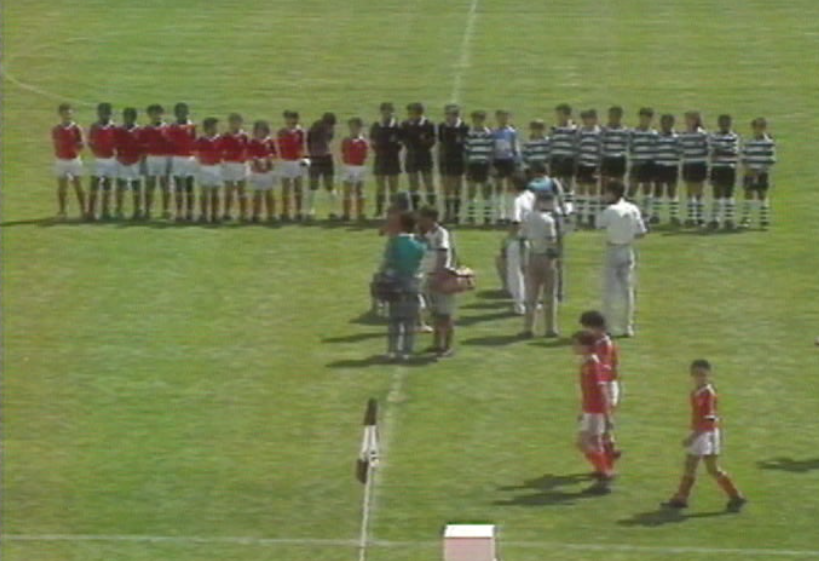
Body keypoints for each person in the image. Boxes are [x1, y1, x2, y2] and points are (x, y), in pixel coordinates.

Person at [662, 360, 747, 512]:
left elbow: (708, 419)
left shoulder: (707, 394)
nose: (699, 377)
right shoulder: (697, 391)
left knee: (694, 464)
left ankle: (682, 498)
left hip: (705, 432)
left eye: (702, 374)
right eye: (696, 374)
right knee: (710, 468)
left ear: (708, 375)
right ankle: (735, 496)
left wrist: (693, 437)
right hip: (707, 432)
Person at [596, 181, 647, 337]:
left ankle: (609, 326)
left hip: (613, 249)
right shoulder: (633, 208)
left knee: (609, 291)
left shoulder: (610, 210)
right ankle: (627, 326)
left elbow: (598, 224)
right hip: (627, 249)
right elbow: (641, 232)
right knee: (627, 290)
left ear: (613, 193)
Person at [572, 330, 615, 494]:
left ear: (586, 346)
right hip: (590, 409)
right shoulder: (587, 363)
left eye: (576, 344)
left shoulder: (592, 365)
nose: (573, 347)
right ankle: (603, 475)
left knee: (583, 443)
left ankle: (605, 473)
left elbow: (602, 390)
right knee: (595, 443)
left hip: (595, 411)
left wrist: (607, 415)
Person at [380, 211, 426, 362]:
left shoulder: (394, 242)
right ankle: (407, 350)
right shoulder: (420, 245)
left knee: (395, 319)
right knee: (410, 320)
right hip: (413, 283)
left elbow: (387, 263)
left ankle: (392, 350)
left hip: (396, 283)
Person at [580, 310, 622, 466]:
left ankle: (605, 465)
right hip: (609, 385)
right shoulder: (605, 342)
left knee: (598, 431)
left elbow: (604, 370)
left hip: (606, 387)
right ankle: (609, 453)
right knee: (603, 430)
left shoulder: (602, 345)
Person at [520, 191, 561, 337]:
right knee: (550, 294)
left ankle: (528, 327)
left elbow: (523, 236)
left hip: (532, 255)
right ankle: (550, 328)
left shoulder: (528, 217)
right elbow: (551, 240)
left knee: (531, 294)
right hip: (545, 257)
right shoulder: (548, 220)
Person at [418, 206, 457, 358]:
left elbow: (443, 256)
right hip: (429, 275)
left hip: (441, 278)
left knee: (445, 314)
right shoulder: (426, 233)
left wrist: (438, 276)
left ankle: (447, 346)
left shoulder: (441, 234)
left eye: (422, 217)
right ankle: (436, 343)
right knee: (435, 313)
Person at [504, 172, 535, 315]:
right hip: (532, 237)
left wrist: (509, 239)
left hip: (518, 239)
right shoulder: (531, 196)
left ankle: (519, 304)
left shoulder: (516, 200)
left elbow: (515, 222)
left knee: (515, 273)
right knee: (529, 272)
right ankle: (531, 301)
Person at [740, 117, 776, 229]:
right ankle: (746, 218)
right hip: (750, 172)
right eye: (756, 128)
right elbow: (744, 157)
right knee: (748, 194)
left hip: (762, 173)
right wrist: (748, 169)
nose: (758, 130)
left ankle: (763, 219)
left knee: (762, 194)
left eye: (760, 128)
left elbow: (771, 159)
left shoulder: (768, 143)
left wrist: (760, 171)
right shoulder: (749, 142)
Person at [52, 103, 86, 219]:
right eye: (65, 113)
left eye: (69, 112)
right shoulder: (56, 129)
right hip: (61, 160)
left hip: (74, 160)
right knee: (62, 187)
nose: (67, 115)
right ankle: (62, 211)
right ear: (60, 114)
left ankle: (83, 210)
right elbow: (56, 143)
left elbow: (82, 144)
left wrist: (78, 146)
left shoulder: (76, 128)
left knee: (78, 185)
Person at [437, 104, 469, 223]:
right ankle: (447, 211)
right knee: (446, 187)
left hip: (458, 159)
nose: (448, 117)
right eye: (447, 114)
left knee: (457, 187)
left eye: (450, 114)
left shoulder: (464, 127)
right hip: (446, 159)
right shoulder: (442, 127)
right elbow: (441, 143)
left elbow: (466, 145)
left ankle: (456, 212)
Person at [370, 102, 403, 218]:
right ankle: (379, 210)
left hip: (393, 158)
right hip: (380, 158)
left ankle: (394, 210)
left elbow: (400, 143)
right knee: (380, 186)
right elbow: (373, 142)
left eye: (389, 111)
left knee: (393, 186)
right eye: (385, 111)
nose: (387, 113)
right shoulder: (376, 126)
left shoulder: (397, 127)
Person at [402, 102, 436, 210]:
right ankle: (415, 207)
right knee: (413, 183)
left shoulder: (428, 124)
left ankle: (432, 206)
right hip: (412, 155)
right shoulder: (406, 124)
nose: (410, 115)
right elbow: (404, 139)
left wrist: (423, 143)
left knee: (428, 182)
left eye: (412, 113)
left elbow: (432, 140)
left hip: (425, 156)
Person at [708, 114, 740, 230]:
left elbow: (733, 152)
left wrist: (720, 151)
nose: (724, 125)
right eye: (722, 122)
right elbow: (712, 152)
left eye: (726, 123)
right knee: (716, 194)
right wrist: (723, 151)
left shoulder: (734, 137)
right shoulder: (714, 136)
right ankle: (715, 219)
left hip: (729, 168)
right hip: (717, 168)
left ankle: (728, 219)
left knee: (728, 194)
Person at [167, 102, 197, 222]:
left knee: (189, 185)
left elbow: (194, 142)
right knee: (178, 186)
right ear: (175, 114)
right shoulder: (172, 127)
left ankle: (189, 212)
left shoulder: (192, 127)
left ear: (187, 113)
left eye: (184, 111)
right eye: (179, 112)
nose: (182, 114)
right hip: (177, 158)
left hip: (189, 158)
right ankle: (179, 212)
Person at [141, 104, 172, 220]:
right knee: (150, 184)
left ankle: (166, 209)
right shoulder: (146, 130)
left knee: (165, 184)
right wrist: (143, 161)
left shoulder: (168, 129)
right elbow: (142, 146)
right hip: (151, 158)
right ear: (149, 115)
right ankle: (148, 210)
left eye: (158, 113)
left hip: (164, 158)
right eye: (153, 113)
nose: (156, 116)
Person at [87, 102, 117, 220]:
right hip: (98, 159)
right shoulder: (95, 126)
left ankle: (106, 210)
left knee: (107, 185)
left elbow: (117, 142)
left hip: (110, 159)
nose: (104, 115)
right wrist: (96, 152)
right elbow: (91, 142)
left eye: (106, 113)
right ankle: (91, 211)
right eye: (101, 113)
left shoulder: (113, 127)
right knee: (94, 184)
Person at [464, 110, 494, 225]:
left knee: (486, 191)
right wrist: (467, 168)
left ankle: (487, 216)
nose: (478, 122)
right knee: (471, 191)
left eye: (480, 119)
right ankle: (471, 216)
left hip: (484, 164)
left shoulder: (488, 134)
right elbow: (467, 152)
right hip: (473, 164)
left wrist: (490, 167)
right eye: (475, 119)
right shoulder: (470, 134)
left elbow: (491, 152)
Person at [113, 107, 143, 220]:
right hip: (122, 161)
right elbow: (115, 145)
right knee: (121, 185)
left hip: (136, 161)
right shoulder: (119, 130)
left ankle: (137, 209)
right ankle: (119, 209)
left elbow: (142, 146)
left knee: (136, 186)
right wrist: (119, 157)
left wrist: (141, 159)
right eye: (126, 116)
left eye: (131, 117)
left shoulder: (140, 130)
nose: (128, 119)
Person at [679, 111, 709, 227]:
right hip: (688, 164)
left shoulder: (702, 134)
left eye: (690, 119)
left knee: (699, 191)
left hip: (699, 164)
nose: (687, 121)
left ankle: (700, 217)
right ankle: (691, 217)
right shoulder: (684, 135)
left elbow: (707, 149)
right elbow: (681, 149)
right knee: (689, 191)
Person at [653, 114, 683, 225]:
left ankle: (674, 215)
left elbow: (680, 152)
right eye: (663, 122)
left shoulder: (676, 137)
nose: (665, 125)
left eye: (667, 122)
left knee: (672, 191)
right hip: (659, 165)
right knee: (658, 191)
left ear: (672, 123)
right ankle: (655, 215)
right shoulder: (657, 136)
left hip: (671, 166)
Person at [307, 112, 338, 219]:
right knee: (313, 184)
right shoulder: (315, 128)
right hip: (315, 157)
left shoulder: (328, 130)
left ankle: (333, 211)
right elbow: (309, 143)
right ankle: (310, 210)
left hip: (326, 157)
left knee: (329, 184)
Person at [628, 107, 657, 216]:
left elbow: (655, 148)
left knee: (647, 188)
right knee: (632, 188)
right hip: (636, 163)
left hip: (648, 164)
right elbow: (631, 147)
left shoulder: (653, 133)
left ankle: (646, 212)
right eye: (643, 118)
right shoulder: (634, 132)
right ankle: (630, 210)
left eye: (647, 118)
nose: (645, 120)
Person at [575, 109, 602, 228]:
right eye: (585, 119)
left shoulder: (599, 132)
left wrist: (598, 166)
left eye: (590, 118)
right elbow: (577, 148)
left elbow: (600, 150)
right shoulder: (580, 131)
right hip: (582, 165)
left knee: (592, 191)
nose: (587, 121)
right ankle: (579, 216)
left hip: (593, 165)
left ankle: (591, 217)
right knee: (580, 190)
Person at [193, 117, 223, 223]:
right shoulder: (201, 140)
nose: (215, 128)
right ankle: (204, 214)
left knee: (215, 192)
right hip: (204, 167)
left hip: (217, 167)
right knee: (204, 192)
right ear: (207, 128)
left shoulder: (221, 139)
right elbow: (195, 153)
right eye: (213, 126)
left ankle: (215, 215)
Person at [492, 109, 520, 223]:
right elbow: (492, 148)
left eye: (505, 117)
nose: (503, 119)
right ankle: (500, 214)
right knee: (498, 187)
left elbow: (515, 147)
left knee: (510, 187)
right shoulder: (494, 132)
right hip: (498, 160)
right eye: (500, 117)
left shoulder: (512, 132)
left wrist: (517, 160)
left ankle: (510, 214)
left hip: (509, 160)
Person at [247, 120, 277, 223]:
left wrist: (268, 158)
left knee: (269, 193)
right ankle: (256, 214)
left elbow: (274, 153)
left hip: (268, 170)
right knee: (257, 194)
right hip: (257, 170)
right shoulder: (252, 142)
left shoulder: (270, 141)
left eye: (262, 130)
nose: (260, 132)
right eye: (258, 130)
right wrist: (257, 160)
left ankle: (271, 214)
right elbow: (249, 154)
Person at [221, 113, 250, 221]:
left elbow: (248, 149)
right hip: (229, 164)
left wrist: (244, 159)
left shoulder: (244, 136)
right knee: (228, 190)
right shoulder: (225, 136)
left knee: (241, 190)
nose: (235, 124)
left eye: (237, 122)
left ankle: (243, 213)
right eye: (232, 122)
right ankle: (227, 212)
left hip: (241, 165)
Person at [549, 103, 577, 210]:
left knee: (567, 184)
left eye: (561, 114)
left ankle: (568, 207)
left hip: (568, 159)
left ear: (567, 115)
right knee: (555, 184)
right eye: (557, 114)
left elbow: (576, 144)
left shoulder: (573, 129)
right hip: (556, 159)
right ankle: (555, 206)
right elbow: (551, 143)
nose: (559, 117)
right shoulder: (554, 129)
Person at [341, 117, 369, 221]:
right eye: (351, 127)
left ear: (359, 128)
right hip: (348, 167)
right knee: (347, 190)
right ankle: (346, 214)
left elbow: (364, 155)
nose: (353, 129)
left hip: (360, 167)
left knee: (359, 190)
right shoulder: (346, 140)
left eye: (355, 127)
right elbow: (343, 152)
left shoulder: (363, 141)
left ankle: (360, 213)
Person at [600, 106, 629, 190]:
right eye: (611, 116)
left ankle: (618, 199)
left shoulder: (624, 130)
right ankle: (604, 200)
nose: (613, 118)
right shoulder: (604, 129)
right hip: (607, 157)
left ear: (620, 117)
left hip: (619, 159)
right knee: (605, 181)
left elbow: (626, 145)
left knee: (619, 182)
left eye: (616, 116)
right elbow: (601, 144)